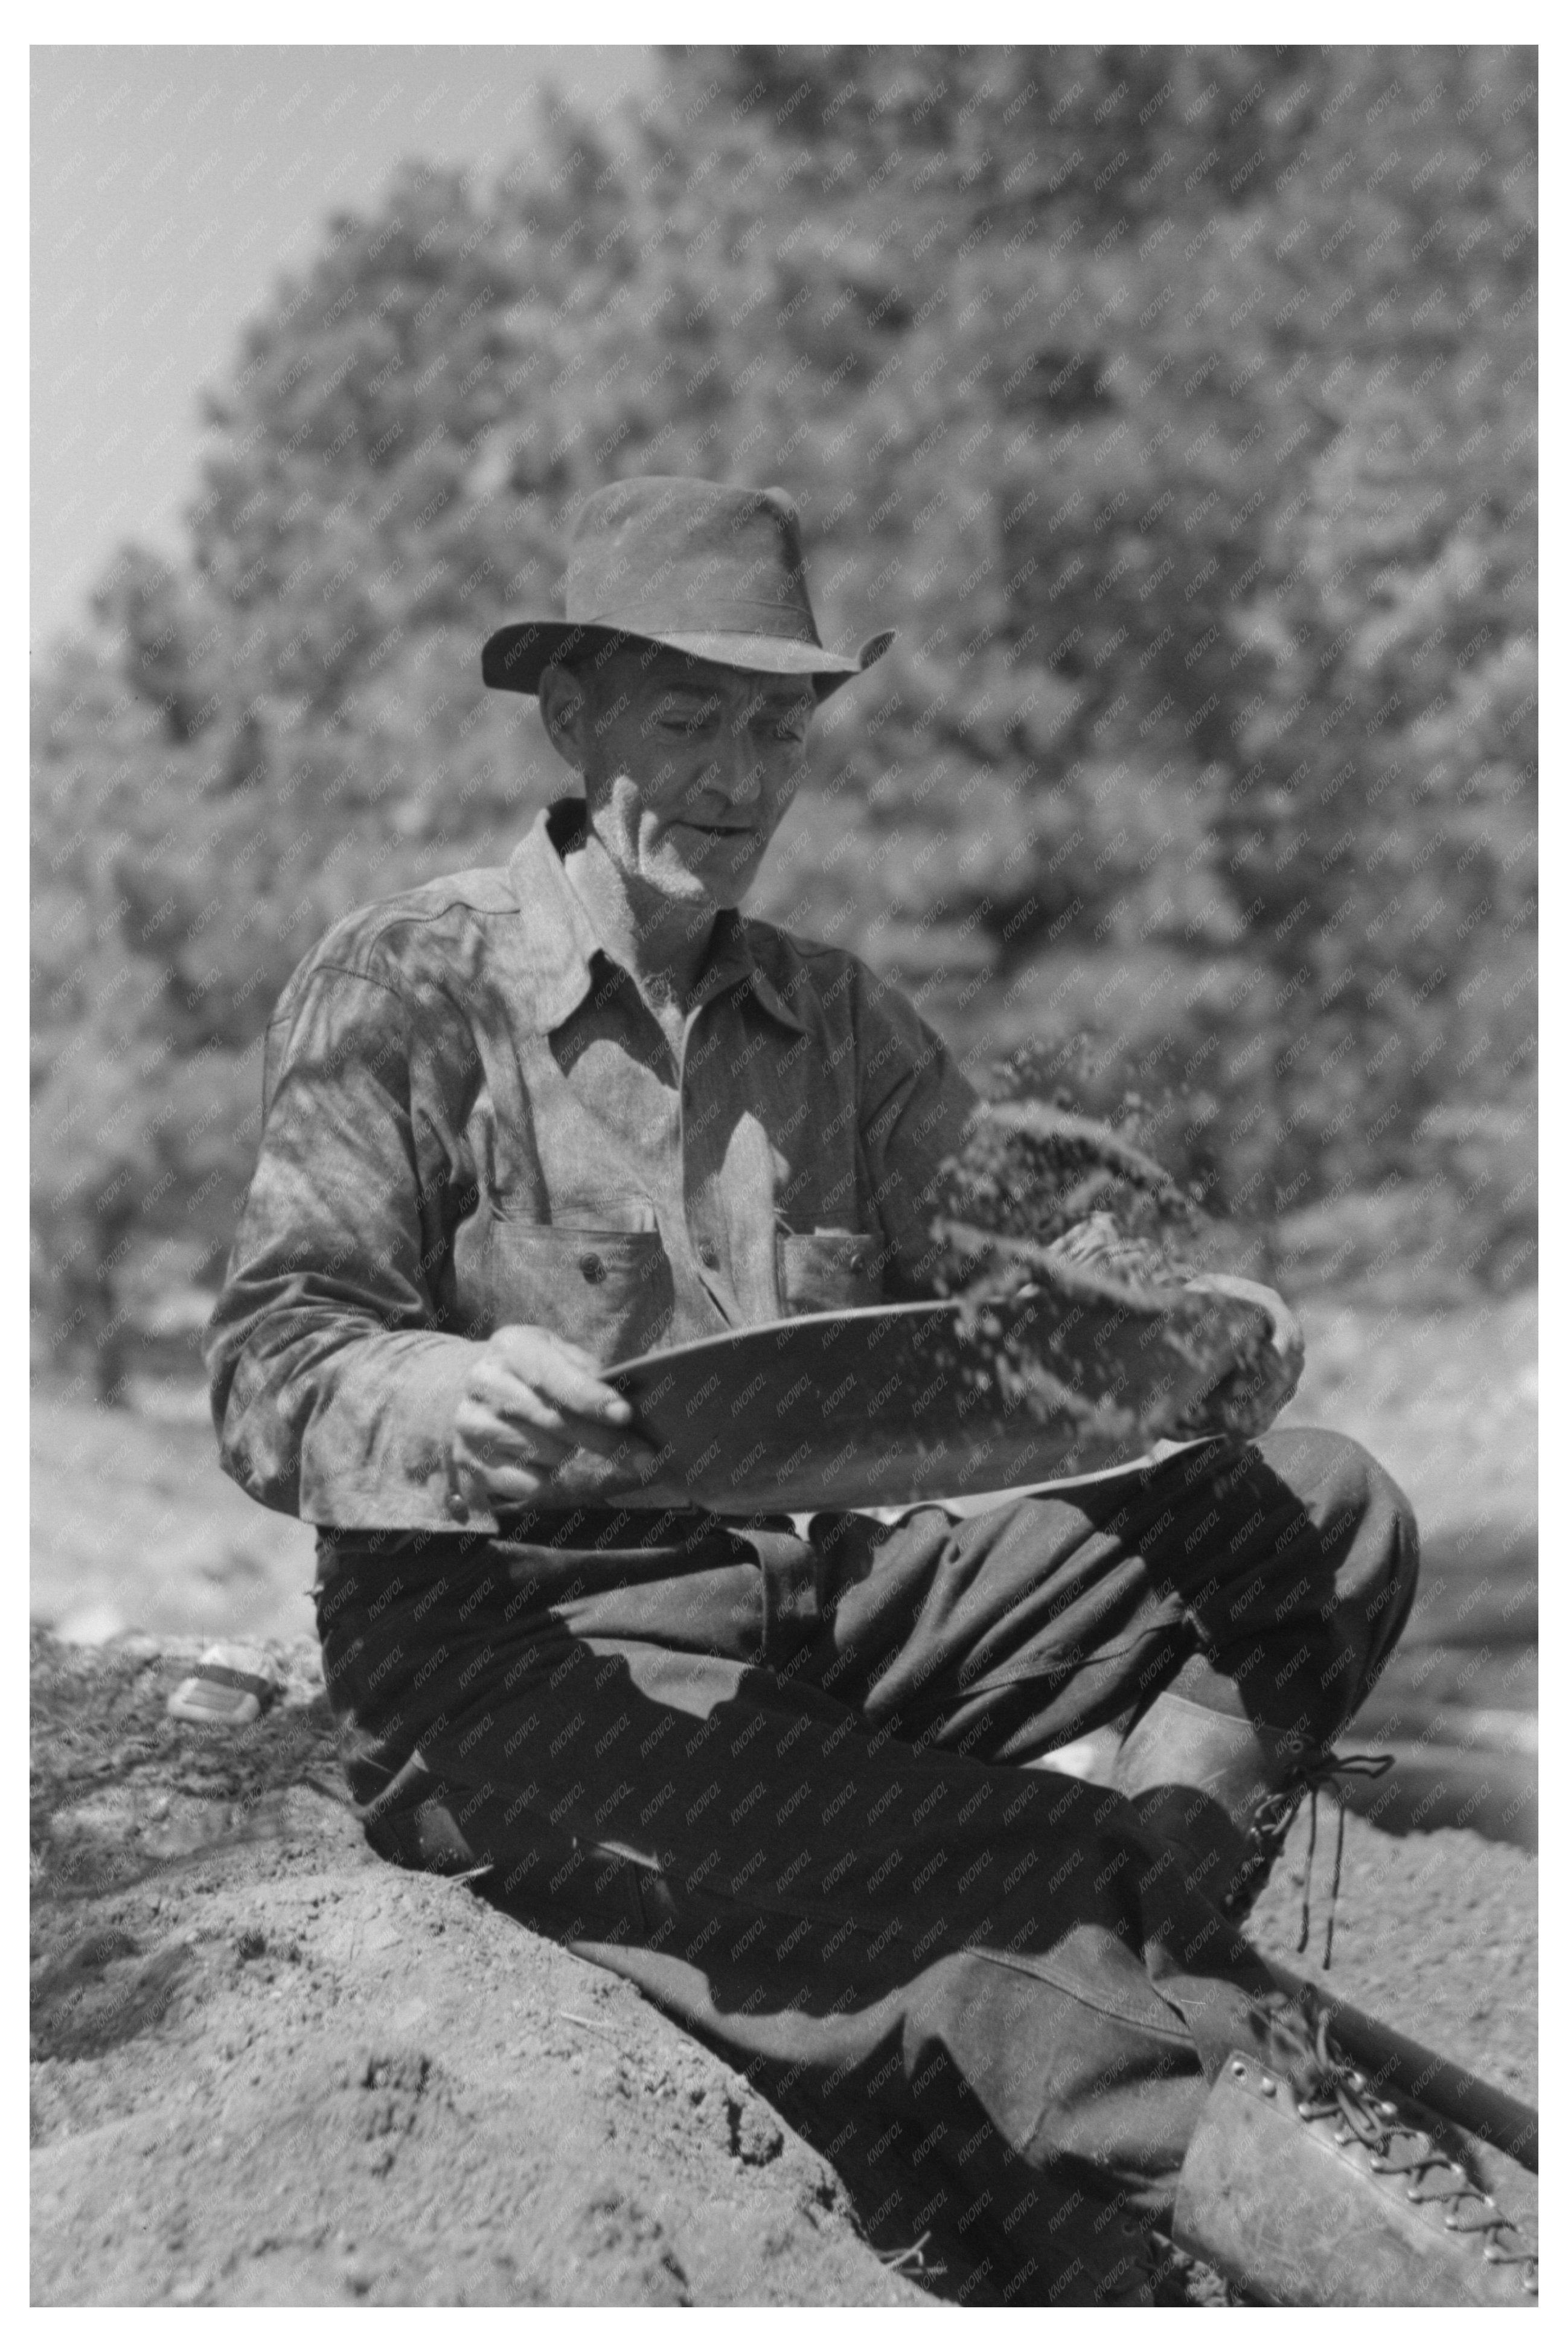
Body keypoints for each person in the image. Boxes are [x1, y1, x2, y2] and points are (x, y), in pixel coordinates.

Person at [208, 476, 1535, 2305]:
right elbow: (273, 1356)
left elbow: (1038, 1249)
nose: (744, 775)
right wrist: (446, 1394)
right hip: (514, 1672)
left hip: (815, 1616)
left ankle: (1148, 1913)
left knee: (1313, 1517)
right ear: (572, 715)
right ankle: (1380, 2259)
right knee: (1004, 1930)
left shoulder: (835, 1021)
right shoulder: (407, 988)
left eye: (780, 724)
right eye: (693, 718)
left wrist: (1192, 1315)